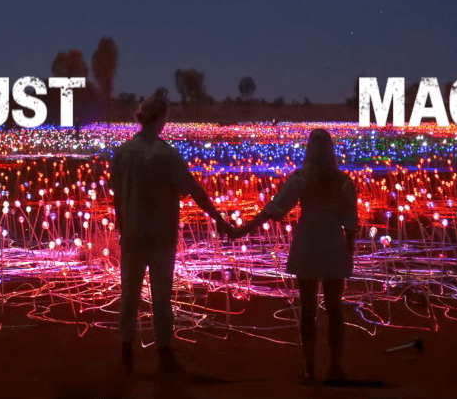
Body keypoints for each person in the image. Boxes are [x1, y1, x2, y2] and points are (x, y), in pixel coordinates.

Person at [109, 92, 235, 375]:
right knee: (161, 298)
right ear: (162, 118)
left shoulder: (122, 153)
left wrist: (122, 226)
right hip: (160, 236)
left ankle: (126, 354)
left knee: (129, 296)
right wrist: (220, 221)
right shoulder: (166, 155)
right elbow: (194, 191)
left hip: (132, 235)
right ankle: (164, 354)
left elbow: (116, 196)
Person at [232, 128, 357, 383]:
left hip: (308, 241)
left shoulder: (300, 178)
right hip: (333, 243)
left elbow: (275, 208)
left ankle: (310, 368)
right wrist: (349, 253)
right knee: (335, 310)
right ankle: (334, 367)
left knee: (308, 309)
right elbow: (350, 223)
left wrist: (243, 229)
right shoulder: (343, 181)